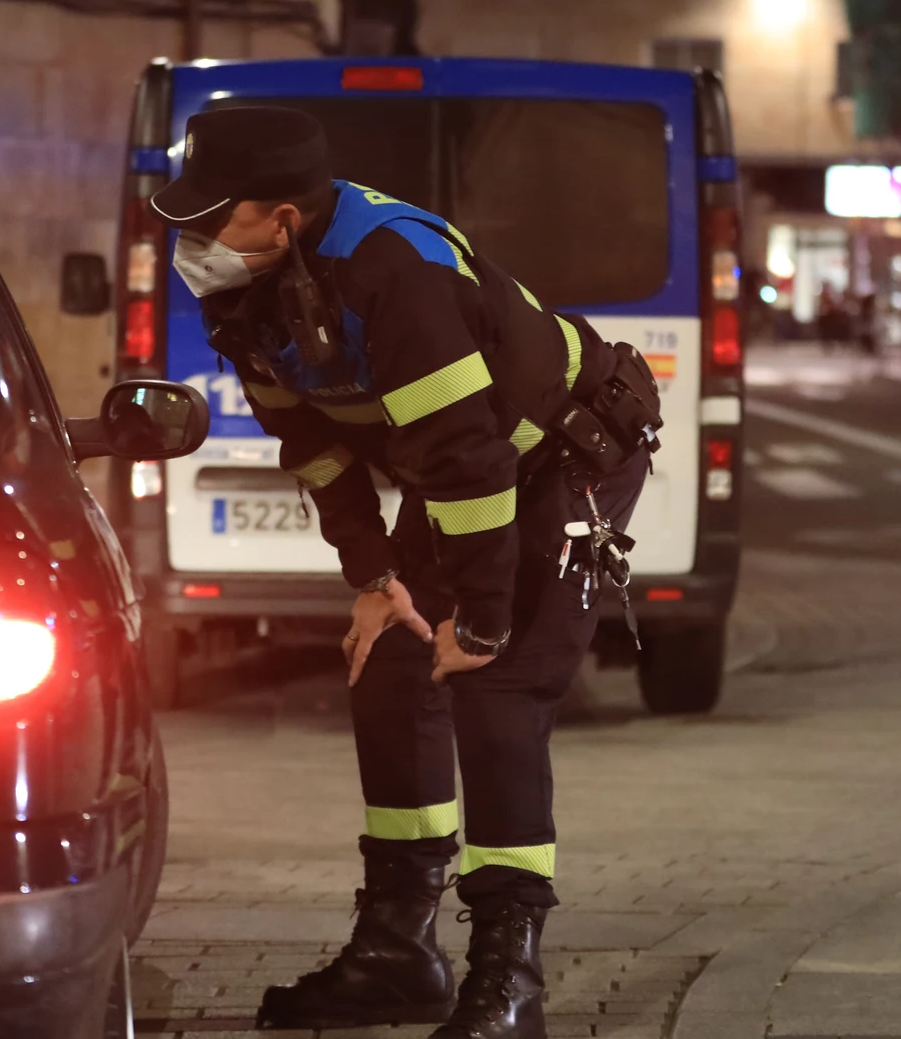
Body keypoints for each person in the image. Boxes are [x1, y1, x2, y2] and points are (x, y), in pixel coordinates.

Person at [151, 106, 657, 1039]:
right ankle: (397, 953)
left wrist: (485, 621)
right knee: (392, 664)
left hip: (563, 455)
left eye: (212, 219)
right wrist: (374, 576)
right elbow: (306, 441)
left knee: (493, 686)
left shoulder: (397, 270)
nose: (190, 241)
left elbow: (473, 465)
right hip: (469, 469)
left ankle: (510, 981)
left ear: (283, 219)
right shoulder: (246, 285)